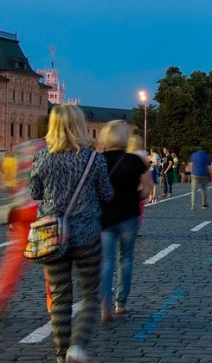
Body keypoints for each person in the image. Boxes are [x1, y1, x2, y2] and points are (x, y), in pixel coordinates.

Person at [30, 104, 114, 362]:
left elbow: (35, 193)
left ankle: (60, 354)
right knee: (90, 294)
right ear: (79, 127)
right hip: (86, 233)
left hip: (52, 235)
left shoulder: (42, 157)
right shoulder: (94, 159)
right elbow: (106, 194)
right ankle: (77, 346)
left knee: (60, 297)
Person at [99, 120, 150, 322]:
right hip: (128, 214)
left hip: (104, 216)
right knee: (126, 259)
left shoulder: (99, 160)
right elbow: (147, 188)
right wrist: (135, 198)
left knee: (106, 260)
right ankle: (121, 303)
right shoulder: (135, 161)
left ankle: (104, 305)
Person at [0, 119, 48, 319]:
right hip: (42, 210)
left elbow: (10, 182)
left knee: (14, 259)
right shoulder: (51, 150)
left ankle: (1, 297)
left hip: (21, 210)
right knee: (52, 259)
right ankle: (53, 303)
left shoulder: (21, 149)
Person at [189, 145, 211, 210]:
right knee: (204, 189)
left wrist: (191, 173)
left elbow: (191, 165)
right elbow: (208, 166)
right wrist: (210, 175)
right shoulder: (206, 156)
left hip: (195, 174)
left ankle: (193, 205)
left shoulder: (193, 155)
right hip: (204, 174)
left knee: (193, 190)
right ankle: (204, 203)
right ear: (204, 150)